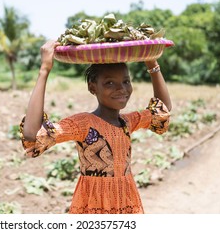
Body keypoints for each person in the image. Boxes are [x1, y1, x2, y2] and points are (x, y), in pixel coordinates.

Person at [19, 40, 172, 214]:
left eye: (126, 81)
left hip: (127, 202)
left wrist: (152, 63)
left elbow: (162, 110)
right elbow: (32, 134)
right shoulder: (84, 124)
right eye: (109, 83)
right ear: (93, 87)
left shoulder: (127, 122)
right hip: (92, 206)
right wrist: (44, 70)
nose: (121, 89)